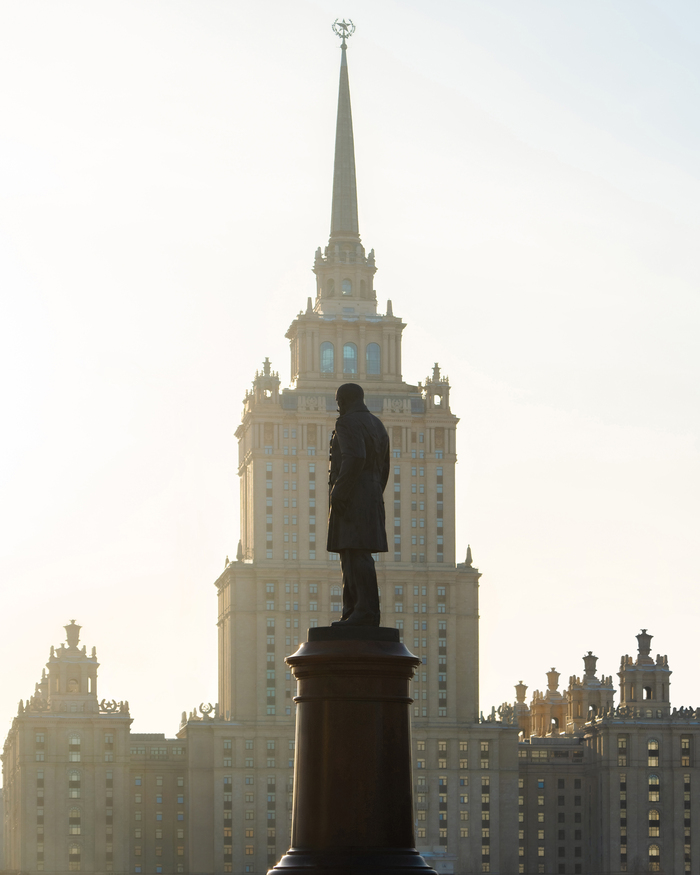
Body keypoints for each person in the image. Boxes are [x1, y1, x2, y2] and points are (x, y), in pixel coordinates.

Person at [327, 383, 390, 626]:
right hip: (371, 497)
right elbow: (384, 468)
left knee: (354, 554)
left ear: (344, 400)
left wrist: (340, 492)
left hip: (352, 497)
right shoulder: (378, 425)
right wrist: (373, 492)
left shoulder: (347, 422)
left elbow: (355, 457)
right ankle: (353, 610)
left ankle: (362, 611)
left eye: (339, 402)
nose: (338, 407)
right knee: (354, 553)